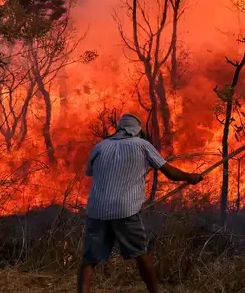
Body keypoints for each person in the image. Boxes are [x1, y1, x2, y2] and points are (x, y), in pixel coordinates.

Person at [77, 113, 203, 293]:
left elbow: (90, 173)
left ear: (119, 129)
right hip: (125, 210)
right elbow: (170, 173)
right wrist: (190, 177)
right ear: (137, 131)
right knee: (141, 255)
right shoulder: (142, 145)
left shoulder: (100, 147)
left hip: (96, 210)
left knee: (89, 260)